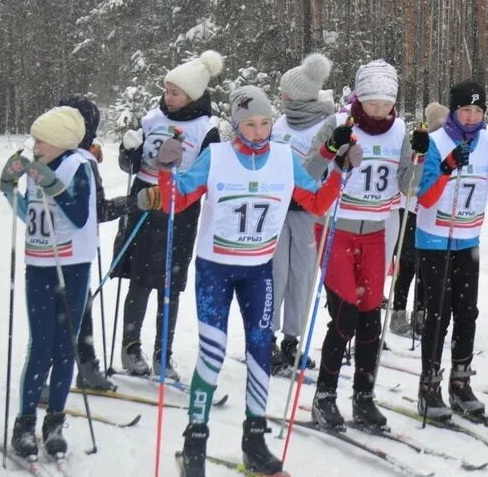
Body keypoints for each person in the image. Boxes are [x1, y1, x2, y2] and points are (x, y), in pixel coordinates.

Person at [140, 85, 346, 477]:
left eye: (264, 122)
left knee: (259, 353)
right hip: (215, 269)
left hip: (258, 271)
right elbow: (175, 200)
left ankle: (254, 439)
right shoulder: (216, 157)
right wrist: (167, 171)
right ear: (236, 124)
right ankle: (195, 441)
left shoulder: (285, 159)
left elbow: (317, 202)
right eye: (249, 123)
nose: (257, 130)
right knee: (213, 355)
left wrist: (339, 171)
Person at [311, 60, 425, 432]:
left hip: (377, 230)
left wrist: (420, 159)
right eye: (372, 101)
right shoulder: (340, 124)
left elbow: (409, 186)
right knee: (344, 315)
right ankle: (324, 396)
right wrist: (333, 151)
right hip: (337, 229)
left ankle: (363, 397)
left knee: (371, 320)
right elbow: (307, 173)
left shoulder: (400, 131)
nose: (379, 109)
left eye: (386, 102)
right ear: (359, 97)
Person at [114, 50, 224, 380]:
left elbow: (210, 172)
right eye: (166, 90)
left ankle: (164, 352)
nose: (168, 97)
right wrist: (129, 150)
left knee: (169, 284)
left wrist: (177, 172)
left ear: (192, 95)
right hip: (143, 203)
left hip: (180, 208)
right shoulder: (151, 119)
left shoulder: (206, 128)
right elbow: (128, 166)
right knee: (138, 279)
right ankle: (131, 347)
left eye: (175, 92)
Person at [414, 82, 488, 419]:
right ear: (454, 111)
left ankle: (461, 382)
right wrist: (446, 168)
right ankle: (428, 386)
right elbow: (425, 197)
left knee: (467, 312)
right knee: (438, 313)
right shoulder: (436, 142)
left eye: (478, 111)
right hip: (434, 238)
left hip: (468, 240)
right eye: (465, 110)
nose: (472, 117)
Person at [0, 107, 98, 460]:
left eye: (40, 139)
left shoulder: (78, 166)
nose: (34, 144)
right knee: (40, 344)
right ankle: (25, 423)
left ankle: (54, 421)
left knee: (65, 345)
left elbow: (79, 214)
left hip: (72, 265)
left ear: (58, 142)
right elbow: (30, 213)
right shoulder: (34, 164)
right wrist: (9, 186)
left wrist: (51, 183)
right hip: (39, 264)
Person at [56, 95, 132, 393]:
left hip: (65, 249)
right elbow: (97, 211)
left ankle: (85, 367)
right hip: (67, 249)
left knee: (74, 308)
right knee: (67, 312)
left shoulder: (52, 151)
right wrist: (131, 203)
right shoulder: (80, 161)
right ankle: (56, 374)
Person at [269, 53, 336, 374]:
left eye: (285, 92)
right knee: (275, 273)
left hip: (310, 209)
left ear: (297, 95)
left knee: (302, 276)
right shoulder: (279, 122)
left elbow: (326, 166)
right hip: (277, 209)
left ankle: (292, 339)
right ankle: (266, 336)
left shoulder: (327, 123)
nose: (281, 97)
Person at [389, 101, 448, 339]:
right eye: (437, 126)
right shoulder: (420, 142)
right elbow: (409, 176)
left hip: (430, 213)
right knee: (408, 265)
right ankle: (399, 312)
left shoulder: (444, 146)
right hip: (410, 212)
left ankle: (422, 313)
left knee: (426, 267)